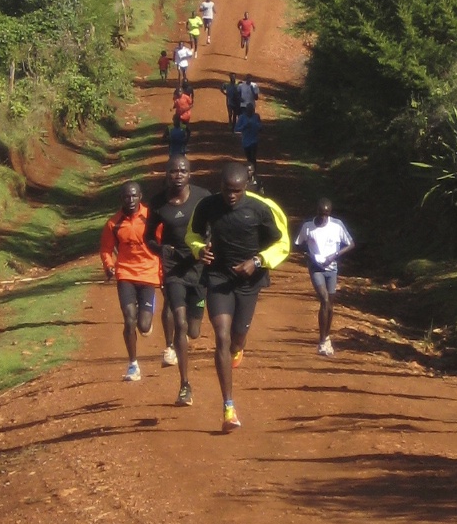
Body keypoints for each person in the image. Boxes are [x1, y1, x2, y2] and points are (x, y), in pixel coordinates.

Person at [188, 162, 291, 432]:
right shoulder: (207, 205)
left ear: (246, 186)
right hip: (218, 277)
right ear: (220, 185)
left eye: (236, 190)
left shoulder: (262, 208)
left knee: (237, 337)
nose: (231, 195)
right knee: (221, 336)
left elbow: (282, 243)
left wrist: (257, 261)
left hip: (249, 281)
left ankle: (238, 346)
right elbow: (193, 234)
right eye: (226, 190)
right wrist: (199, 249)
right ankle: (228, 408)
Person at [148, 155, 208, 406]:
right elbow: (149, 238)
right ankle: (185, 385)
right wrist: (160, 249)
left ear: (190, 174)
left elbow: (215, 226)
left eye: (183, 170)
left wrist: (209, 246)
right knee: (180, 324)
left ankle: (189, 333)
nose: (178, 175)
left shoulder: (203, 197)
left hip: (199, 268)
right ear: (167, 174)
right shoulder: (158, 203)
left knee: (194, 330)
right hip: (173, 269)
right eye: (173, 171)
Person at [99, 182, 163, 385]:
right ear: (122, 199)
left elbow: (162, 244)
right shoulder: (113, 223)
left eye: (134, 196)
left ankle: (147, 313)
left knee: (144, 325)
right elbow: (106, 249)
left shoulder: (151, 218)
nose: (131, 200)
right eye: (127, 197)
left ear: (140, 196)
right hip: (125, 273)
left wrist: (163, 270)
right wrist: (109, 266)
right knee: (129, 319)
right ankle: (133, 364)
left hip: (148, 273)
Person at [296, 197, 355, 356]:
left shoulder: (337, 226)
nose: (323, 217)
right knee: (324, 299)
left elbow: (351, 244)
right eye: (321, 214)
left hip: (332, 269)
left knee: (330, 305)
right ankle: (322, 341)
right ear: (317, 211)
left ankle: (326, 337)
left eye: (326, 214)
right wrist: (308, 256)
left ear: (330, 213)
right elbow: (298, 244)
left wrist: (334, 255)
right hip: (316, 268)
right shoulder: (308, 227)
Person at [236, 102, 263, 177]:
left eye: (252, 111)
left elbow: (261, 128)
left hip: (254, 140)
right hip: (245, 142)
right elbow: (237, 129)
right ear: (246, 110)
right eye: (249, 111)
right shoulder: (242, 117)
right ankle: (249, 172)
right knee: (249, 158)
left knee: (253, 157)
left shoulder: (256, 116)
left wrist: (257, 126)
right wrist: (244, 126)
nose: (251, 112)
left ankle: (254, 173)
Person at [171, 78, 194, 146]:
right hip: (179, 115)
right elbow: (175, 105)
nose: (179, 93)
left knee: (186, 127)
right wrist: (172, 108)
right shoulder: (177, 99)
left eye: (180, 92)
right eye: (178, 92)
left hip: (186, 115)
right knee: (178, 124)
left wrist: (186, 109)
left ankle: (186, 138)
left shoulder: (186, 97)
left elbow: (191, 104)